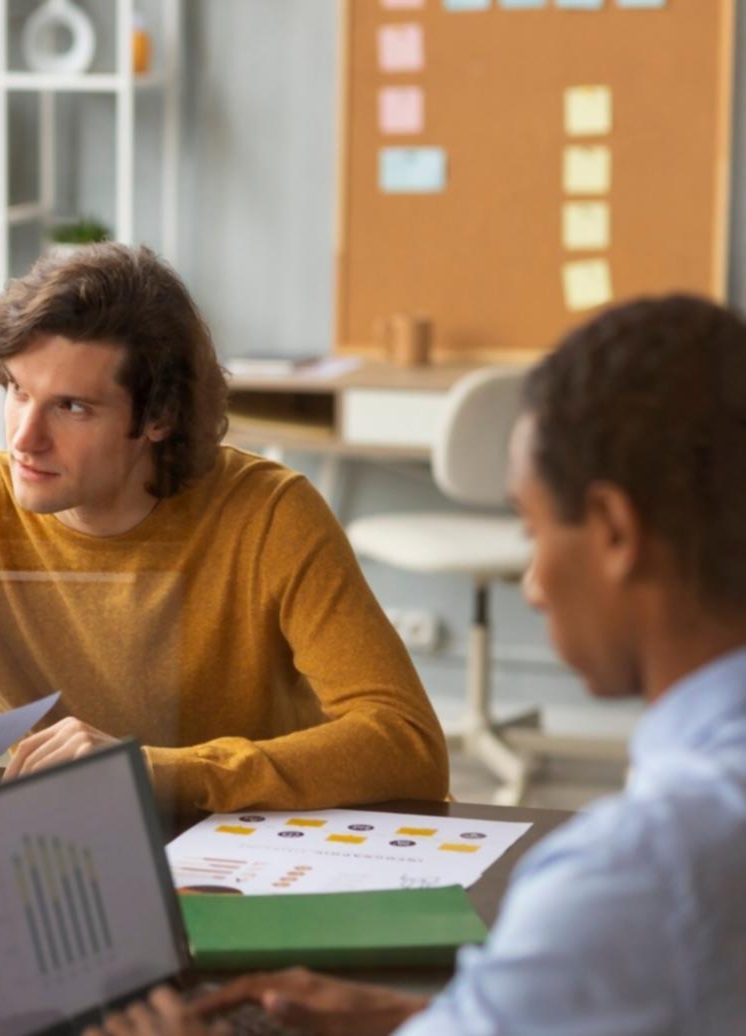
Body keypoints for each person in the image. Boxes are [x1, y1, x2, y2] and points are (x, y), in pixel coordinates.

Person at [86, 294, 746, 1035]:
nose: (532, 586)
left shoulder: (635, 872)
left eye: (532, 530)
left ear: (615, 532)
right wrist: (421, 1017)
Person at [0, 244, 447, 817]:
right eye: (16, 390)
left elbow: (408, 744)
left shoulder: (269, 515)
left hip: (244, 850)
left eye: (72, 407)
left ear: (159, 418)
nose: (24, 438)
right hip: (60, 846)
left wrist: (154, 773)